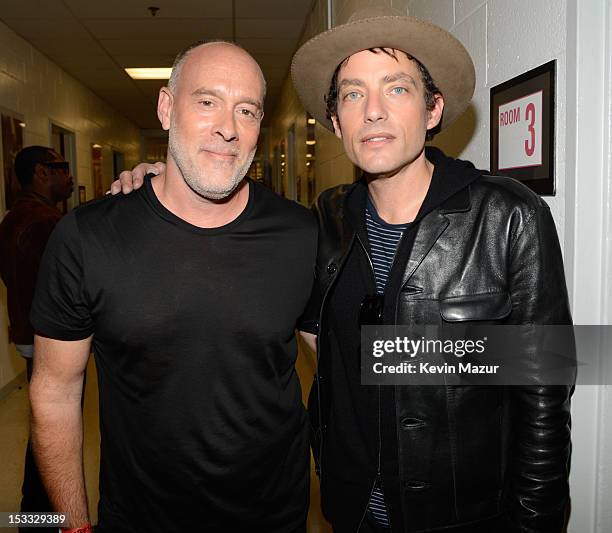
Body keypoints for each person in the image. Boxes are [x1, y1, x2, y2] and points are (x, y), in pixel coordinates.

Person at [115, 9, 573, 532]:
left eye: (396, 89)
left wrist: (535, 523)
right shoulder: (326, 219)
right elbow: (316, 332)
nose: (373, 112)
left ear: (433, 110)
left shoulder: (507, 214)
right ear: (335, 122)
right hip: (351, 509)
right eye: (354, 95)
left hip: (465, 515)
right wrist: (159, 179)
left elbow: (546, 388)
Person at [29, 40, 316, 533]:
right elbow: (55, 392)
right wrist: (73, 526)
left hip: (275, 515)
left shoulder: (301, 234)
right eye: (207, 102)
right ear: (166, 108)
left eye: (246, 110)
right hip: (140, 517)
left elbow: (349, 364)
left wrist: (484, 361)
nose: (227, 127)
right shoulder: (87, 237)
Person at [0, 145, 73, 532]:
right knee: (52, 434)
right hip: (49, 339)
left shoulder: (12, 219)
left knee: (44, 427)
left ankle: (37, 516)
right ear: (42, 173)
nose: (70, 176)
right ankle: (40, 519)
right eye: (62, 169)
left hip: (26, 332)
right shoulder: (46, 223)